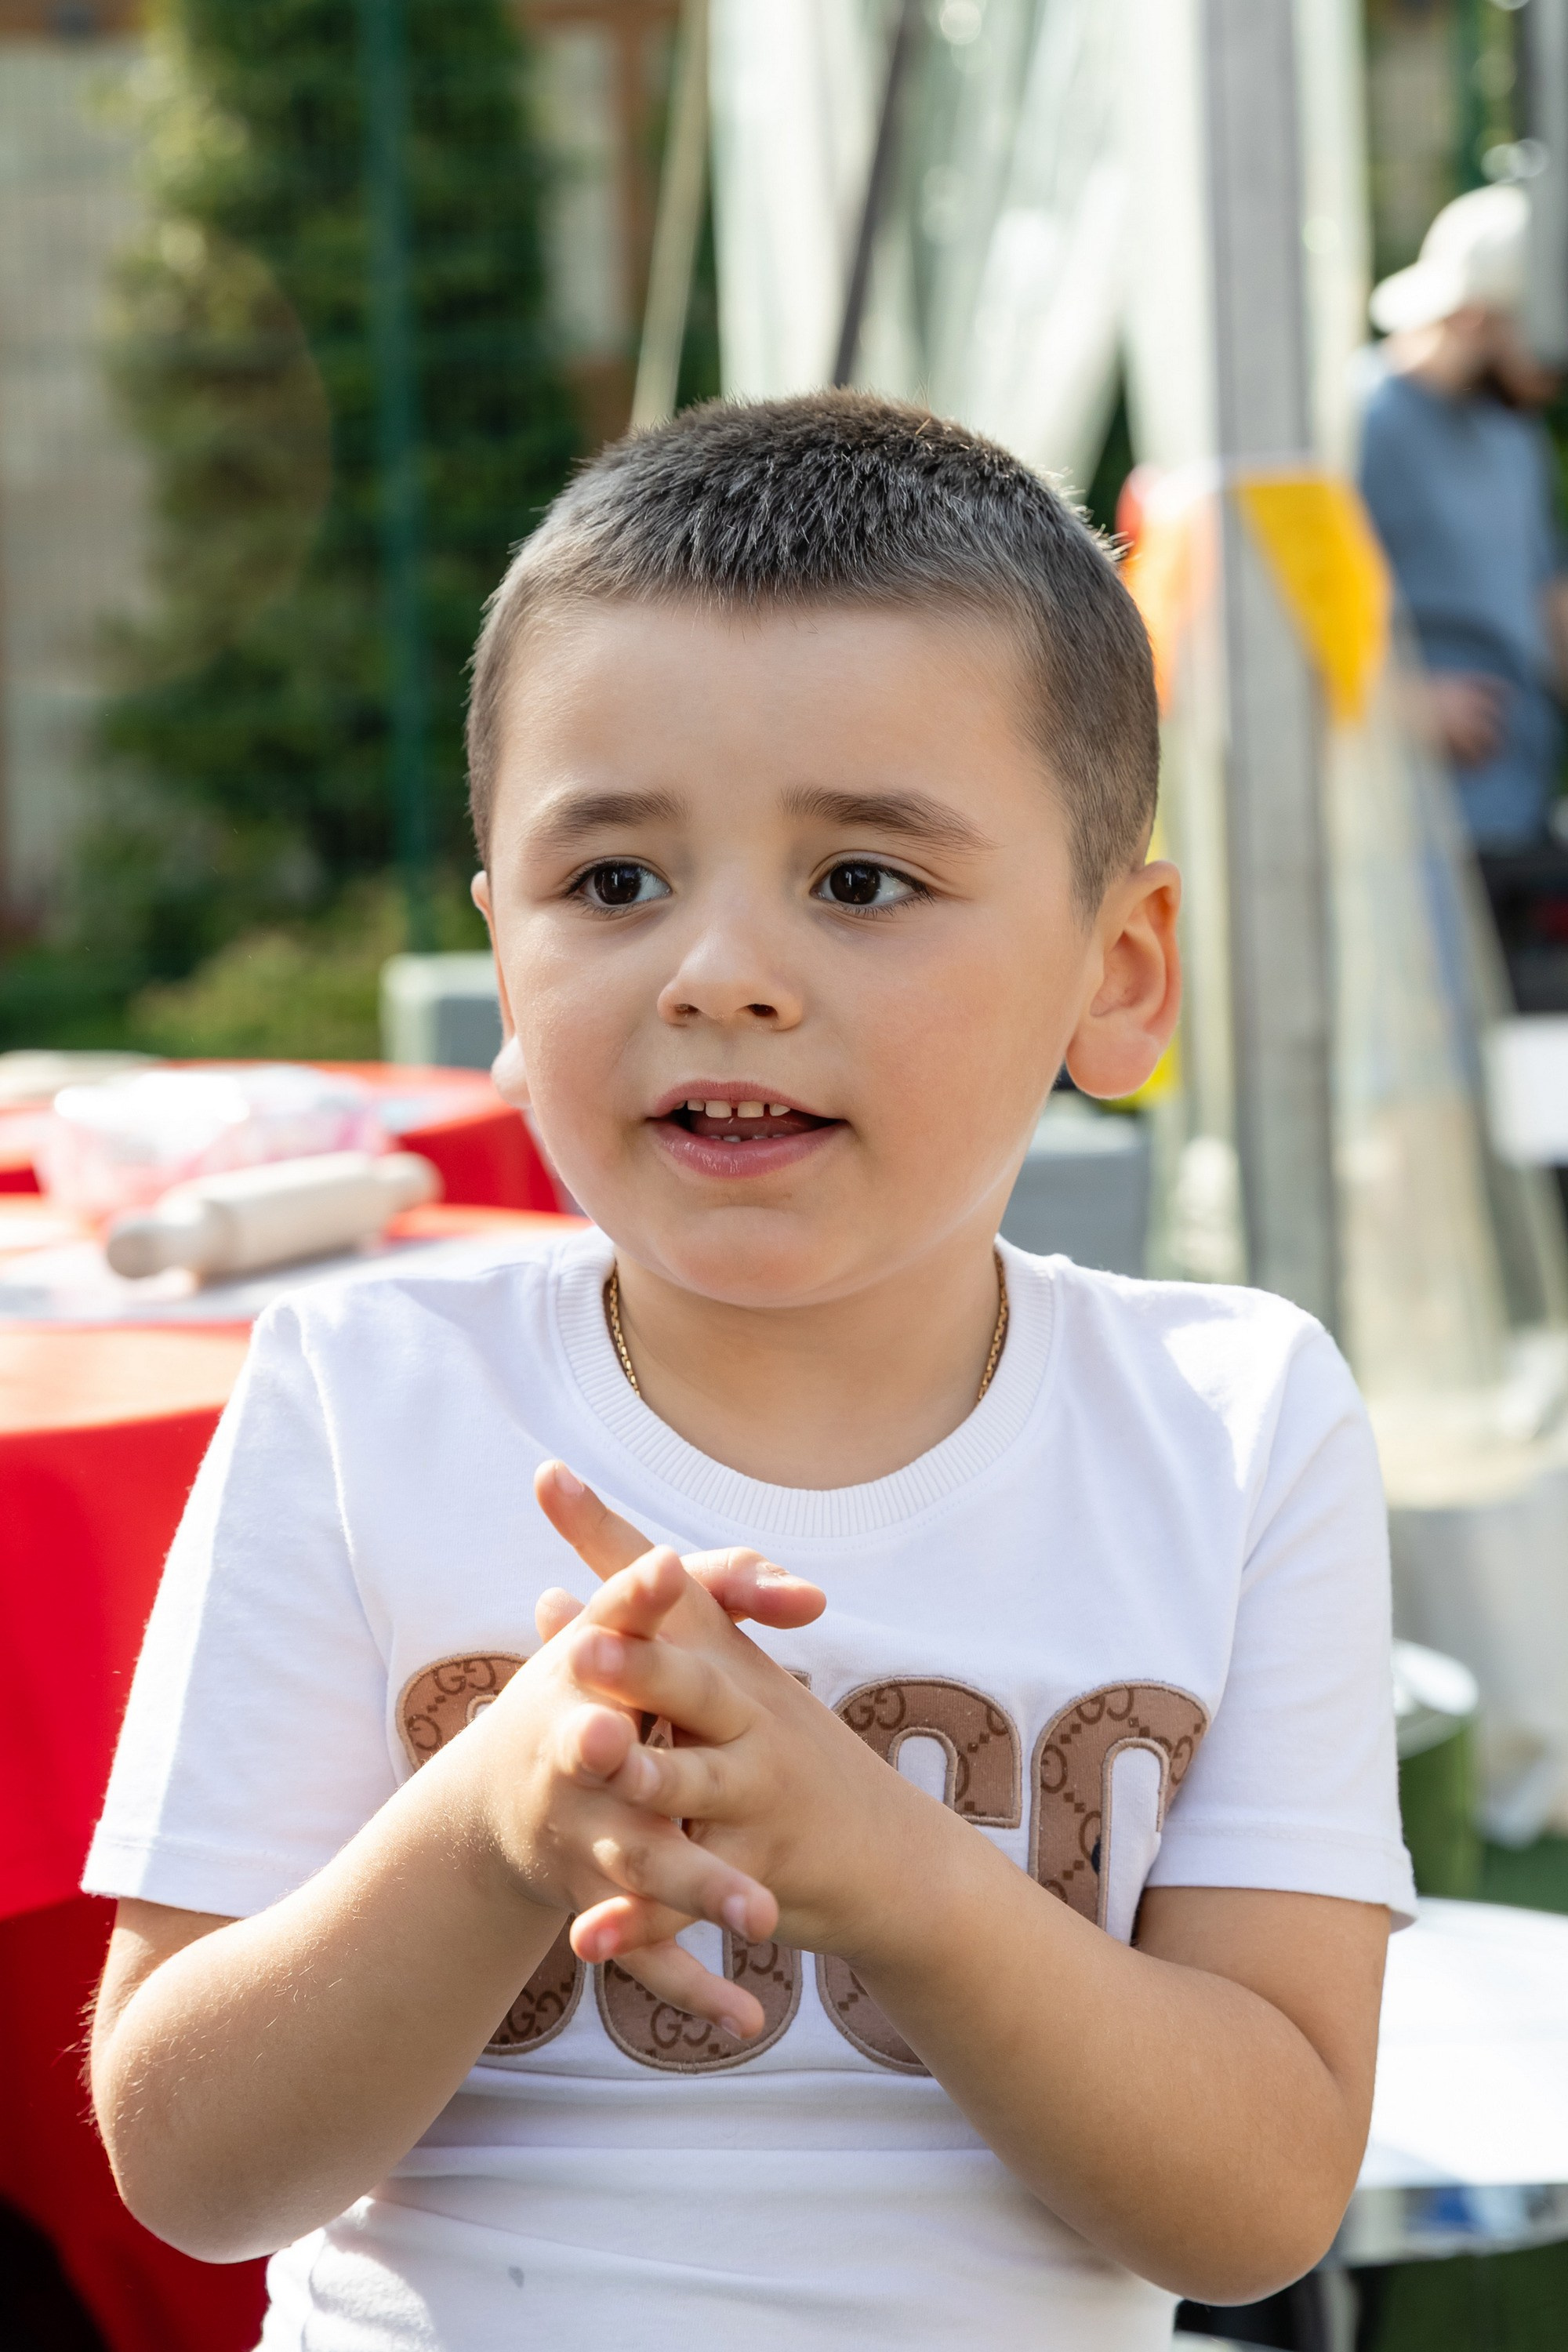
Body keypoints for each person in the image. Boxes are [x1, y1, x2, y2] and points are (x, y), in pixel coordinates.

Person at [85, 394, 1414, 2350]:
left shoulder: (1229, 1423)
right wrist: (488, 1829)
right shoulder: (366, 1393)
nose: (717, 970)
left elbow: (1254, 2204)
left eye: (859, 881)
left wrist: (887, 1858)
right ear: (506, 975)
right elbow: (192, 2172)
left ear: (1116, 971)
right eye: (613, 882)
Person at [1359, 182, 1568, 852]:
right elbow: (1288, 617)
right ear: (1476, 316)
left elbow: (1545, 596)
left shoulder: (1515, 434)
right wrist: (1407, 707)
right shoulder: (1363, 422)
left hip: (1521, 817)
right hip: (1423, 839)